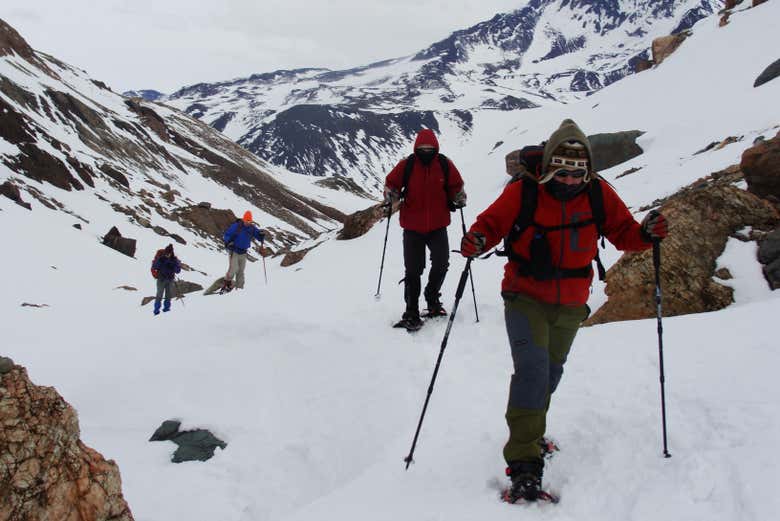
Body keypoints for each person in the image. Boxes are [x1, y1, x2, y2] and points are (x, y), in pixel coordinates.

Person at [460, 119, 669, 502]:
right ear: (550, 167)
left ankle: (533, 432)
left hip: (572, 300)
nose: (571, 180)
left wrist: (646, 234)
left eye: (579, 172)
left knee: (550, 372)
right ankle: (524, 461)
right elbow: (491, 224)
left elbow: (624, 233)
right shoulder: (524, 191)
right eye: (563, 171)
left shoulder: (598, 194)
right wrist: (476, 239)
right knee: (533, 369)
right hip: (524, 296)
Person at [384, 128, 467, 330]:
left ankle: (432, 299)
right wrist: (391, 195)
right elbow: (391, 183)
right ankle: (411, 310)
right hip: (412, 227)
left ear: (436, 147)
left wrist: (459, 197)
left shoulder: (444, 165)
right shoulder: (408, 164)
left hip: (438, 226)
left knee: (441, 264)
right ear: (416, 147)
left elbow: (456, 185)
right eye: (422, 147)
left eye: (430, 147)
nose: (426, 150)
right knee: (413, 270)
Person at [222, 211, 265, 290]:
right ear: (243, 219)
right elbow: (226, 235)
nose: (248, 222)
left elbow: (258, 236)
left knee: (241, 271)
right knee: (234, 268)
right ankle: (227, 282)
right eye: (246, 220)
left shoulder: (252, 228)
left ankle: (240, 288)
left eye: (249, 221)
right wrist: (228, 242)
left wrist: (261, 235)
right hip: (234, 251)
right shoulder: (236, 226)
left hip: (243, 252)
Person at [152, 244, 182, 315]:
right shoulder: (161, 258)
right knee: (159, 295)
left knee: (168, 295)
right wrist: (160, 261)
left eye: (169, 253)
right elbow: (154, 267)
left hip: (170, 279)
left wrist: (173, 266)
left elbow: (178, 270)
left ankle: (166, 309)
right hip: (161, 279)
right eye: (166, 253)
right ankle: (156, 311)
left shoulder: (174, 260)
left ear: (171, 253)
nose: (167, 255)